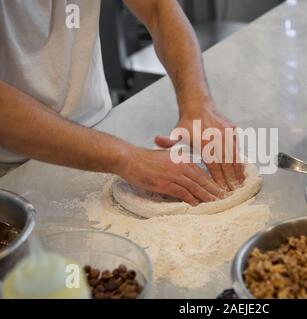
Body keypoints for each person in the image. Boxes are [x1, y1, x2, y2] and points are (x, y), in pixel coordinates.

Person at [0, 0, 244, 206]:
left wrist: (197, 104)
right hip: (10, 166)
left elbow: (158, 8)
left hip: (101, 127)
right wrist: (127, 158)